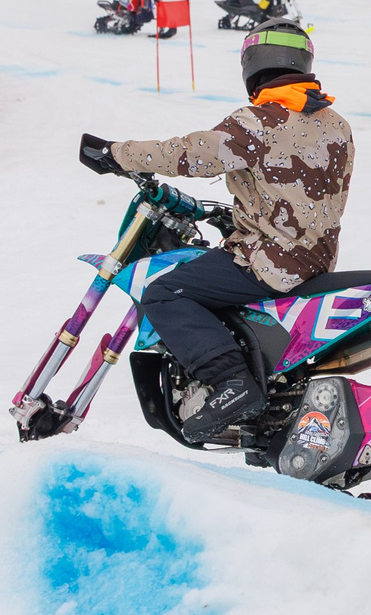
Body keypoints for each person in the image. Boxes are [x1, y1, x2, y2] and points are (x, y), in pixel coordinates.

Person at [79, 22, 353, 442]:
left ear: (253, 62)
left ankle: (231, 383)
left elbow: (190, 154)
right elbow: (297, 190)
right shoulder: (336, 123)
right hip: (315, 261)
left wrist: (118, 155)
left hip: (269, 263)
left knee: (164, 293)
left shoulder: (258, 121)